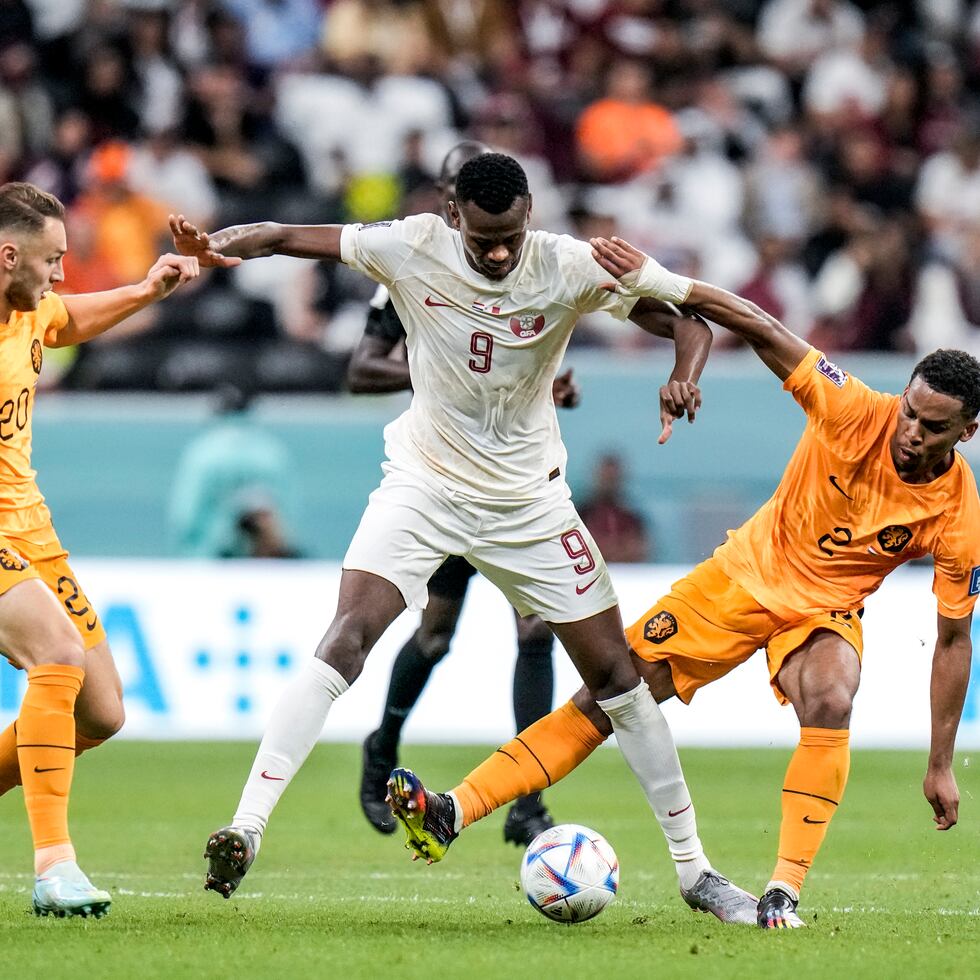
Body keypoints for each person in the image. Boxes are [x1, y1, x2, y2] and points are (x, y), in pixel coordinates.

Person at [171, 151, 758, 923]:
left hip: (529, 505)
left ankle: (695, 872)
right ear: (454, 217)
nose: (500, 253)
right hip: (425, 485)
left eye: (512, 235)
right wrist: (219, 244)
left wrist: (684, 372)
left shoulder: (565, 263)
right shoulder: (409, 245)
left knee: (619, 677)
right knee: (349, 635)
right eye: (485, 239)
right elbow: (284, 234)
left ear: (529, 216)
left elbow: (687, 320)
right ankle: (245, 829)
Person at [393, 234, 980, 931]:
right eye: (911, 410)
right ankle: (453, 812)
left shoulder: (958, 514)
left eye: (931, 425)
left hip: (821, 611)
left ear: (967, 431)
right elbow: (761, 326)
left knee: (831, 695)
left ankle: (783, 892)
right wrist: (661, 280)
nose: (909, 430)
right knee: (607, 700)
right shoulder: (856, 410)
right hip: (736, 582)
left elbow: (952, 639)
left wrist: (940, 763)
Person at [349, 141, 577, 846]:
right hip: (444, 478)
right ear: (446, 204)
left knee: (535, 630)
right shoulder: (408, 274)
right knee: (436, 633)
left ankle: (528, 797)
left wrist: (550, 384)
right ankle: (380, 748)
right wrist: (441, 372)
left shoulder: (531, 270)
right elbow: (360, 369)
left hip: (515, 481)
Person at [0, 181, 199, 917]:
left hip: (32, 533)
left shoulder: (25, 311)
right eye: (51, 260)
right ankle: (55, 867)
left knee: (103, 713)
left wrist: (148, 289)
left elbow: (66, 318)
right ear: (8, 253)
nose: (59, 274)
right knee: (55, 654)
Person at [168, 383, 301, 559]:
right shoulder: (272, 451)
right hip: (266, 566)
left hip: (211, 562)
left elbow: (185, 517)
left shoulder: (202, 452)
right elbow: (289, 515)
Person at [577, 451, 650, 563]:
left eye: (613, 478)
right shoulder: (582, 514)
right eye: (606, 477)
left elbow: (641, 549)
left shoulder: (631, 516)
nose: (609, 483)